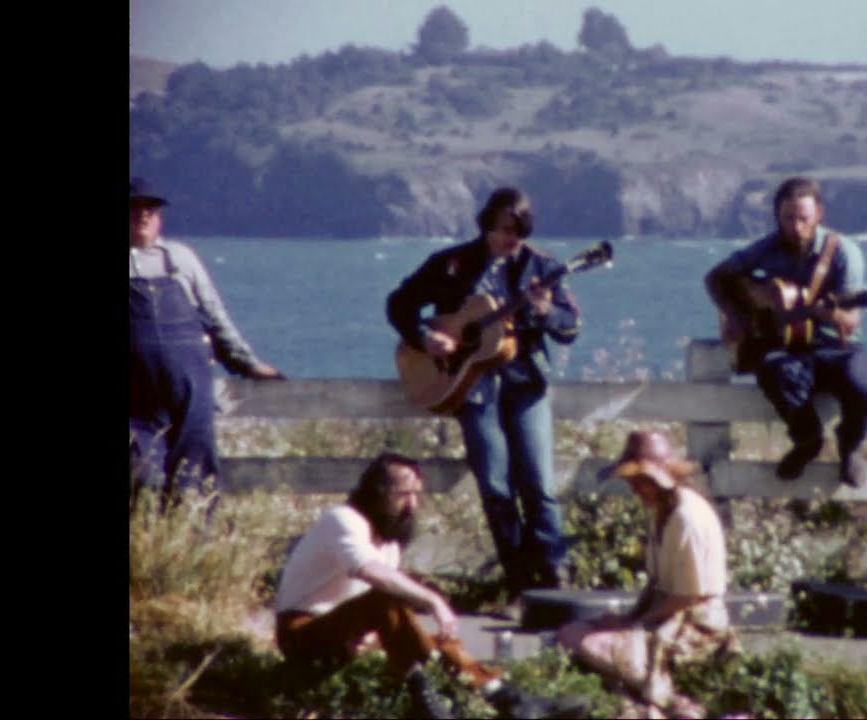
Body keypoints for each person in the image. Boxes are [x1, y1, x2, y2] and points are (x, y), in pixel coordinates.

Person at [272, 452, 587, 719]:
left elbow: (372, 608)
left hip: (350, 634)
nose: (413, 504)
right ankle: (423, 697)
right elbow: (368, 572)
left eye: (417, 494)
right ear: (377, 492)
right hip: (303, 632)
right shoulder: (343, 519)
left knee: (441, 642)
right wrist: (431, 600)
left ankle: (505, 697)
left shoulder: (389, 541)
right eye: (403, 495)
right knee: (387, 598)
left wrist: (374, 637)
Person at [387, 187, 580, 604]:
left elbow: (571, 326)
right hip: (470, 385)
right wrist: (426, 337)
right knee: (495, 484)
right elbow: (399, 303)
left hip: (526, 381)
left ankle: (555, 578)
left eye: (520, 231)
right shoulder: (452, 264)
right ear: (487, 224)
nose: (512, 239)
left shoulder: (541, 266)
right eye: (504, 230)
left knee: (539, 483)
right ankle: (518, 580)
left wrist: (545, 312)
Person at [704, 176, 867, 487]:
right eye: (788, 218)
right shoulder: (769, 246)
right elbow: (717, 277)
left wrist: (834, 314)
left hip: (837, 347)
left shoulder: (844, 253)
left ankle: (851, 446)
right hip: (791, 350)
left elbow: (853, 321)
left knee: (864, 381)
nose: (796, 227)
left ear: (819, 214)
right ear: (778, 216)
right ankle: (807, 440)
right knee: (774, 370)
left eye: (803, 218)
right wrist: (735, 316)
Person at [557, 430, 741, 720]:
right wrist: (629, 620)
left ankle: (669, 695)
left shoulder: (687, 518)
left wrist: (637, 625)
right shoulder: (661, 509)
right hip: (668, 611)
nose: (633, 487)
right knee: (573, 631)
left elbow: (687, 595)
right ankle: (645, 682)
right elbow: (658, 585)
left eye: (637, 480)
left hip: (695, 625)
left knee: (589, 642)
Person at [129, 177, 284, 498]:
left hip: (190, 386)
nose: (142, 215)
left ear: (160, 217)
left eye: (150, 208)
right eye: (134, 208)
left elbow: (215, 315)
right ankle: (149, 544)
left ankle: (192, 542)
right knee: (143, 475)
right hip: (137, 394)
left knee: (195, 476)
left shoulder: (182, 259)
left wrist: (248, 364)